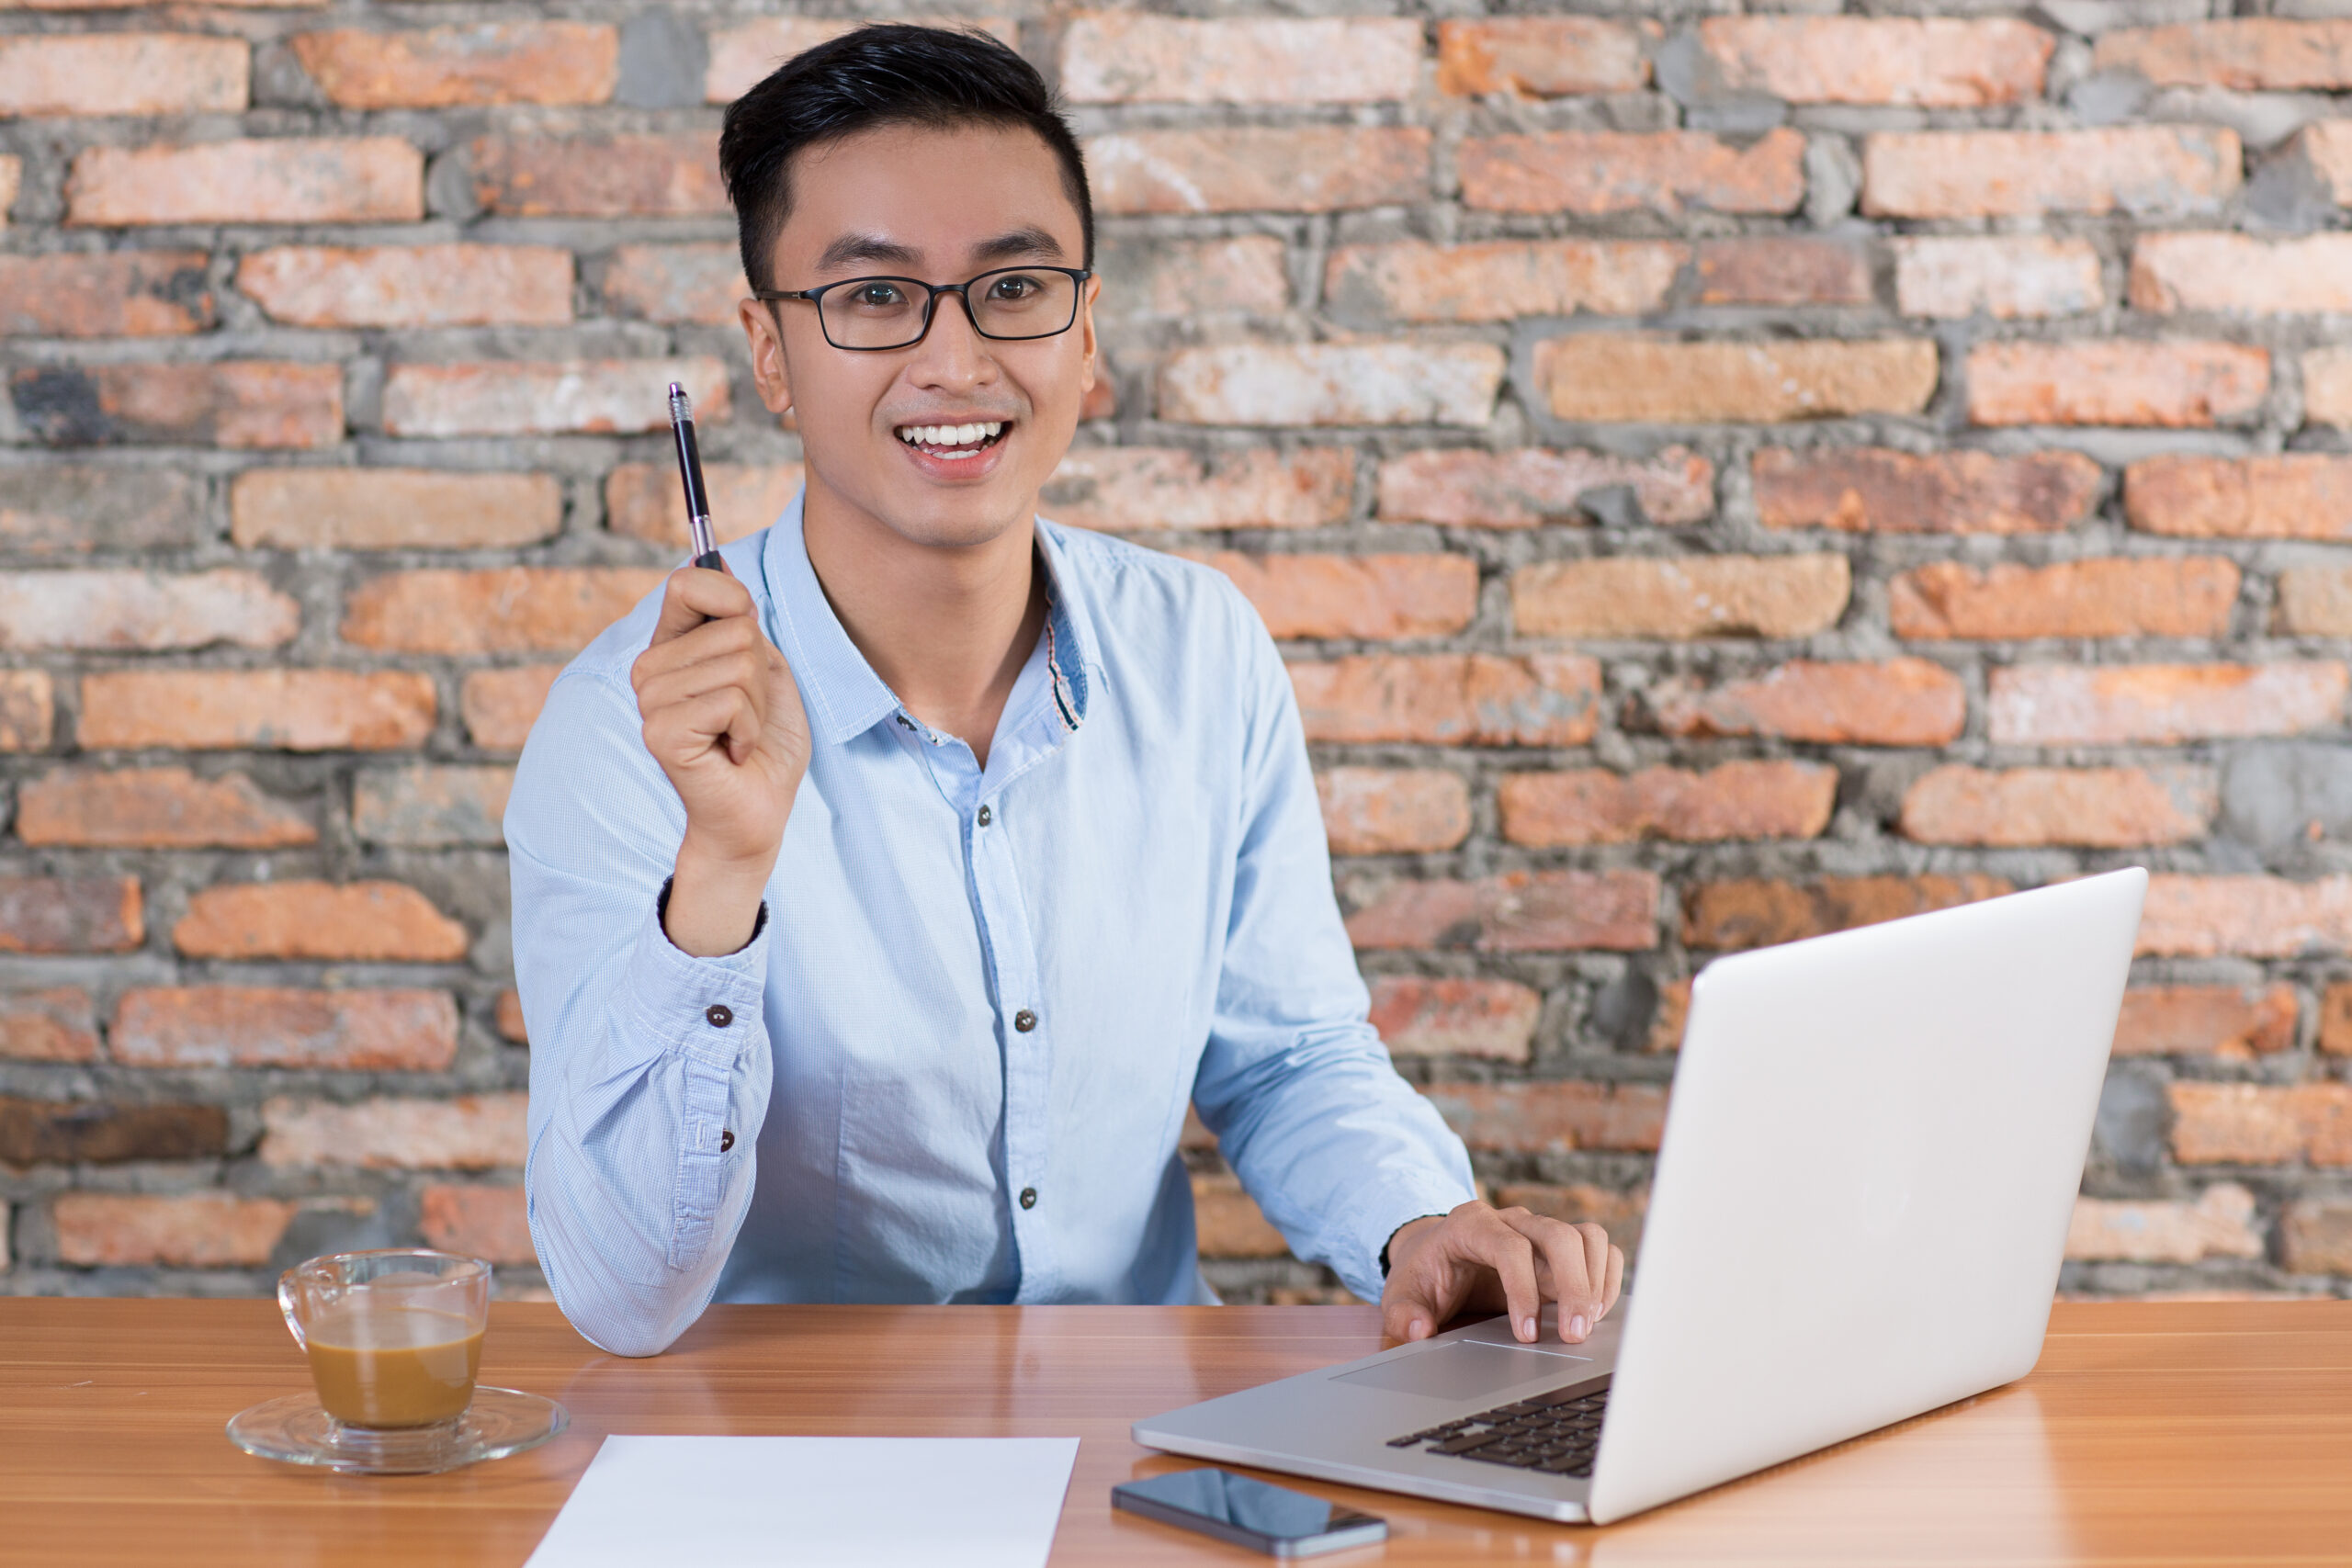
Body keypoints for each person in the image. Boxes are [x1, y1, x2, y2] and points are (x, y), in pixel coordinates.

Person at [509, 22, 1624, 1358]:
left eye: (1014, 287)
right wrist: (725, 871)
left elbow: (1286, 1057)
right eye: (873, 299)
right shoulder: (627, 729)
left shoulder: (1199, 649)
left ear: (1085, 332)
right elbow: (621, 1293)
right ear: (769, 354)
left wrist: (1421, 1221)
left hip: (1132, 1425)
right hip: (789, 1447)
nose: (956, 359)